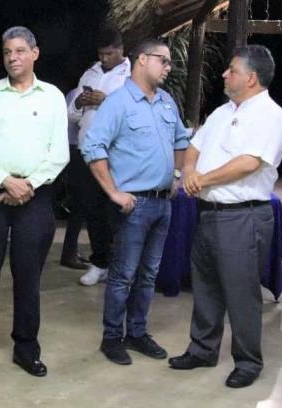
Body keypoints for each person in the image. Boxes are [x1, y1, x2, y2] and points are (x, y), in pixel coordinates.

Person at [169, 45, 282, 389]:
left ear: (251, 78)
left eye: (232, 70)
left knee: (241, 292)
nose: (225, 74)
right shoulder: (223, 111)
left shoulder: (270, 116)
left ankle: (248, 361)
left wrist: (200, 180)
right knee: (205, 286)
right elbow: (194, 146)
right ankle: (203, 349)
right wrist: (191, 170)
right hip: (209, 212)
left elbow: (248, 163)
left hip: (243, 216)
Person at [0, 26, 69, 378]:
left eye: (20, 51)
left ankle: (26, 349)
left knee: (28, 275)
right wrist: (5, 180)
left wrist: (27, 185)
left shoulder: (51, 97)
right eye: (7, 52)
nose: (12, 58)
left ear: (35, 53)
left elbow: (59, 153)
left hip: (36, 195)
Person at [81, 38, 189, 365]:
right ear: (142, 60)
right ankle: (112, 337)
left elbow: (182, 140)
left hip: (162, 204)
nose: (168, 67)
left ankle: (137, 333)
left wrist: (176, 176)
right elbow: (92, 147)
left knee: (148, 275)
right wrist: (114, 192)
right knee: (123, 275)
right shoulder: (118, 103)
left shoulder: (167, 102)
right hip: (133, 205)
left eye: (169, 62)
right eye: (163, 60)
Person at [67, 26, 132, 286]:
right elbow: (71, 114)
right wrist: (80, 103)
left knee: (114, 210)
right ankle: (100, 262)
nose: (104, 58)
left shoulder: (130, 76)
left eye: (109, 53)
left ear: (120, 49)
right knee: (91, 209)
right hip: (86, 152)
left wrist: (106, 100)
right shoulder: (90, 72)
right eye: (101, 54)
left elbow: (132, 112)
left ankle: (120, 264)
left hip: (115, 155)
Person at [59, 86, 90, 269]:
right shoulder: (78, 94)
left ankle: (71, 251)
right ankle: (69, 253)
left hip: (76, 149)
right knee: (80, 204)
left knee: (81, 204)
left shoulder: (72, 92)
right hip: (74, 150)